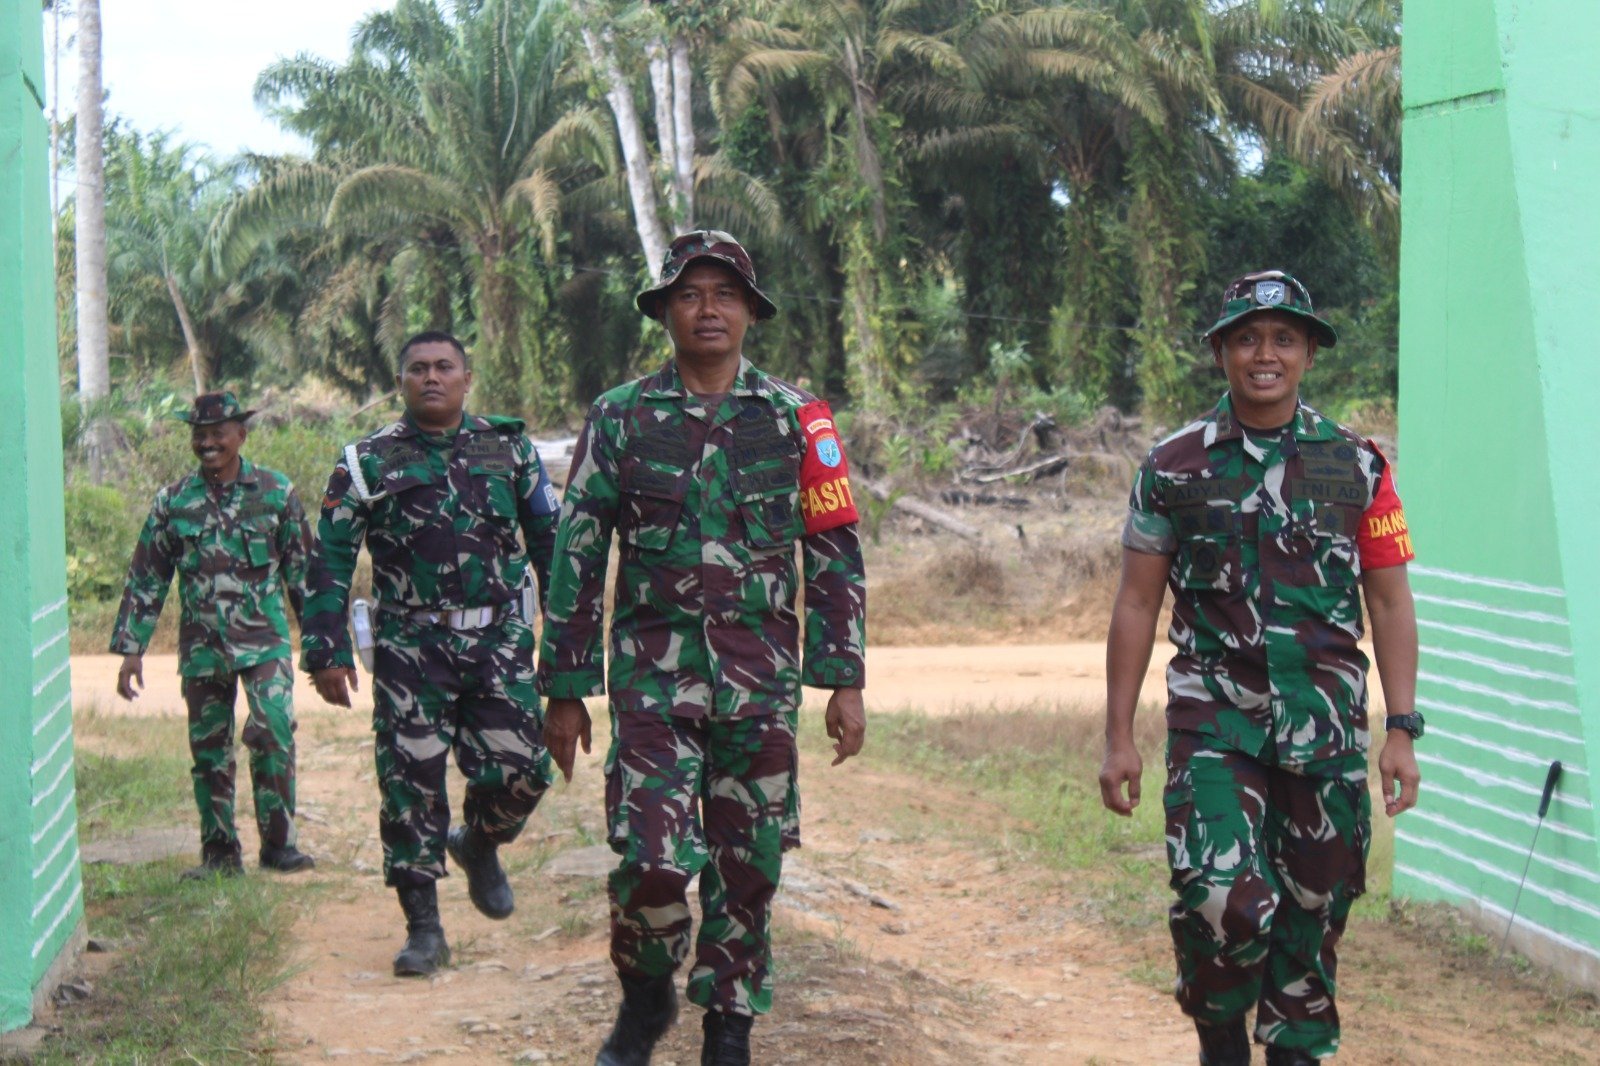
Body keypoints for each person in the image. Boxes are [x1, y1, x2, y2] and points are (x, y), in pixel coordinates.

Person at [538, 230, 868, 1066]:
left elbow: (833, 553)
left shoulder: (800, 419)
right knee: (651, 858)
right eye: (691, 292)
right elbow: (577, 553)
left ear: (752, 310)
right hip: (652, 685)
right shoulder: (619, 418)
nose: (709, 308)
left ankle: (729, 1025)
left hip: (760, 686)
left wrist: (844, 679)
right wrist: (566, 687)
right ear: (666, 311)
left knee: (748, 864)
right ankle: (646, 995)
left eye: (726, 293)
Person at [1099, 270, 1422, 1065]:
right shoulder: (1172, 467)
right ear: (1221, 353)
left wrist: (1402, 730)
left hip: (1327, 730)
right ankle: (1219, 1040)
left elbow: (1388, 602)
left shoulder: (1359, 466)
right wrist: (1118, 738)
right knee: (1221, 903)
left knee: (1313, 918)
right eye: (1247, 338)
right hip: (1216, 723)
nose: (1265, 354)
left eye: (1283, 338)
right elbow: (1137, 605)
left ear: (1309, 351)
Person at [301, 330, 560, 978]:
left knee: (524, 768)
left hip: (499, 640)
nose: (432, 378)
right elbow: (330, 556)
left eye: (445, 367)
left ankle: (478, 843)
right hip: (409, 647)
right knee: (409, 785)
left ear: (467, 378)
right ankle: (424, 929)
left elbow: (549, 538)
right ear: (402, 382)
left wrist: (571, 627)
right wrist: (325, 647)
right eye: (418, 368)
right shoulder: (366, 460)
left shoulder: (510, 450)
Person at [111, 390, 316, 880]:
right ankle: (220, 854)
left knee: (272, 733)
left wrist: (322, 643)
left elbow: (303, 571)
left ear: (240, 435)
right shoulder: (174, 501)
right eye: (199, 435)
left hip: (264, 641)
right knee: (209, 752)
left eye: (217, 433)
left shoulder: (276, 492)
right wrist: (131, 649)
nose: (207, 443)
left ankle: (280, 845)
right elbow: (147, 576)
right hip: (202, 648)